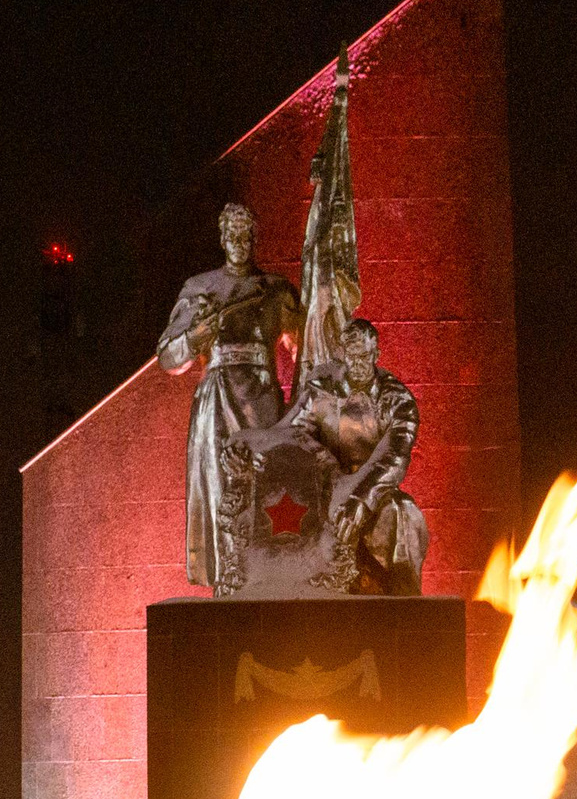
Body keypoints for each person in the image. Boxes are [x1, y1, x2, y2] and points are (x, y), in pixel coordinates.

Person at [157, 203, 303, 593]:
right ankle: (226, 580)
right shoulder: (200, 288)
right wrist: (193, 338)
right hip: (217, 404)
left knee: (267, 491)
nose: (240, 243)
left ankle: (268, 575)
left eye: (247, 236)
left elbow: (308, 350)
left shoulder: (276, 290)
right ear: (222, 240)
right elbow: (168, 357)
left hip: (262, 402)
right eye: (233, 236)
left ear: (256, 240)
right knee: (221, 490)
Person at [287, 317, 427, 595]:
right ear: (342, 355)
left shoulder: (397, 399)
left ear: (376, 354)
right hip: (324, 486)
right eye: (351, 357)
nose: (358, 363)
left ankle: (403, 601)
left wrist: (361, 499)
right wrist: (325, 463)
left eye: (364, 356)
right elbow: (295, 433)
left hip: (374, 491)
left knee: (404, 516)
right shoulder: (321, 391)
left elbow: (395, 457)